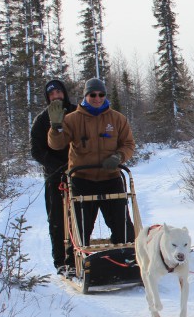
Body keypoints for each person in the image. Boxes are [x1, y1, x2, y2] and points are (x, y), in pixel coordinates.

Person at [46, 77, 136, 247]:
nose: (97, 98)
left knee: (122, 225)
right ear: (85, 96)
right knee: (81, 227)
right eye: (92, 95)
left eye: (101, 94)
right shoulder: (72, 119)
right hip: (82, 179)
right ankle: (76, 262)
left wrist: (119, 156)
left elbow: (128, 144)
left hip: (110, 178)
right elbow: (56, 145)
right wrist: (56, 127)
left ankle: (125, 256)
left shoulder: (117, 119)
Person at [30, 79, 78, 274]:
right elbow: (36, 150)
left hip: (78, 172)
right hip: (54, 176)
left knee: (79, 216)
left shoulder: (76, 112)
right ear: (47, 98)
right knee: (57, 218)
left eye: (58, 93)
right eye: (52, 94)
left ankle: (77, 255)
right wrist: (55, 166)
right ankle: (61, 260)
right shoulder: (42, 120)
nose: (56, 96)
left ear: (64, 93)